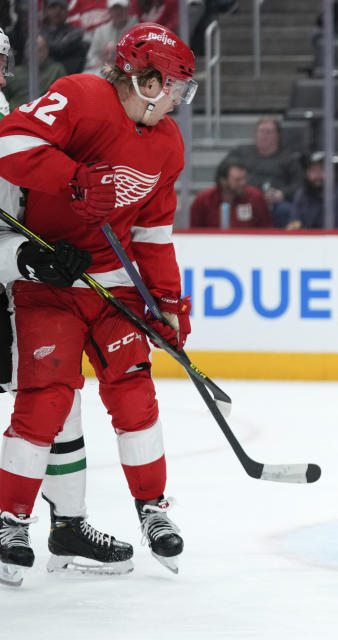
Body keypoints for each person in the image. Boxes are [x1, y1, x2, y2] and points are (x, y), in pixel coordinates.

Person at [0, 22, 197, 584]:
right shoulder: (83, 95)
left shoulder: (168, 143)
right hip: (52, 286)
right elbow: (10, 144)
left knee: (135, 395)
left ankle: (153, 509)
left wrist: (166, 303)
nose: (181, 99)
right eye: (178, 86)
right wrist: (75, 181)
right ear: (151, 81)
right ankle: (10, 519)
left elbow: (154, 232)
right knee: (46, 399)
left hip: (117, 292)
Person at [0, 26, 135, 582]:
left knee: (57, 399)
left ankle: (68, 525)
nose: (4, 72)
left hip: (10, 285)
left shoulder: (9, 113)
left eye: (4, 61)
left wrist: (29, 256)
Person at [224, 117, 302, 228]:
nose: (264, 135)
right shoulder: (240, 153)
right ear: (255, 134)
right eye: (261, 131)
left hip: (276, 205)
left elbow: (298, 184)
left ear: (278, 135)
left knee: (286, 210)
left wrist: (282, 194)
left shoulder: (289, 158)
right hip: (245, 201)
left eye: (269, 132)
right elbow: (224, 174)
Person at [190, 159, 273, 228]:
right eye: (237, 180)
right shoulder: (203, 200)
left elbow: (266, 230)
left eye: (244, 178)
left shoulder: (255, 197)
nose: (243, 183)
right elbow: (194, 233)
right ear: (223, 181)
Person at [288, 151, 338, 229]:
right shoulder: (302, 194)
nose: (317, 175)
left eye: (321, 169)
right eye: (312, 170)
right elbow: (295, 222)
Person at [2, 36, 67, 111]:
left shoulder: (56, 70)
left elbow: (63, 97)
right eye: (31, 50)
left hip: (42, 115)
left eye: (40, 50)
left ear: (46, 51)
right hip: (15, 114)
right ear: (25, 51)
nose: (35, 53)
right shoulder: (14, 72)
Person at [82, 0, 138, 75]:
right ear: (109, 11)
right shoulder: (101, 31)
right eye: (115, 8)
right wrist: (99, 62)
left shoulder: (137, 30)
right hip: (104, 71)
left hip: (129, 73)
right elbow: (92, 56)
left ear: (128, 9)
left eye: (122, 8)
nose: (118, 12)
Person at [41, 0, 89, 75]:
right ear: (47, 11)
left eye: (62, 8)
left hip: (67, 75)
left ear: (67, 12)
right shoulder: (39, 33)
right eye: (53, 7)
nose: (57, 11)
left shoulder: (75, 32)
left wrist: (43, 46)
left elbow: (61, 47)